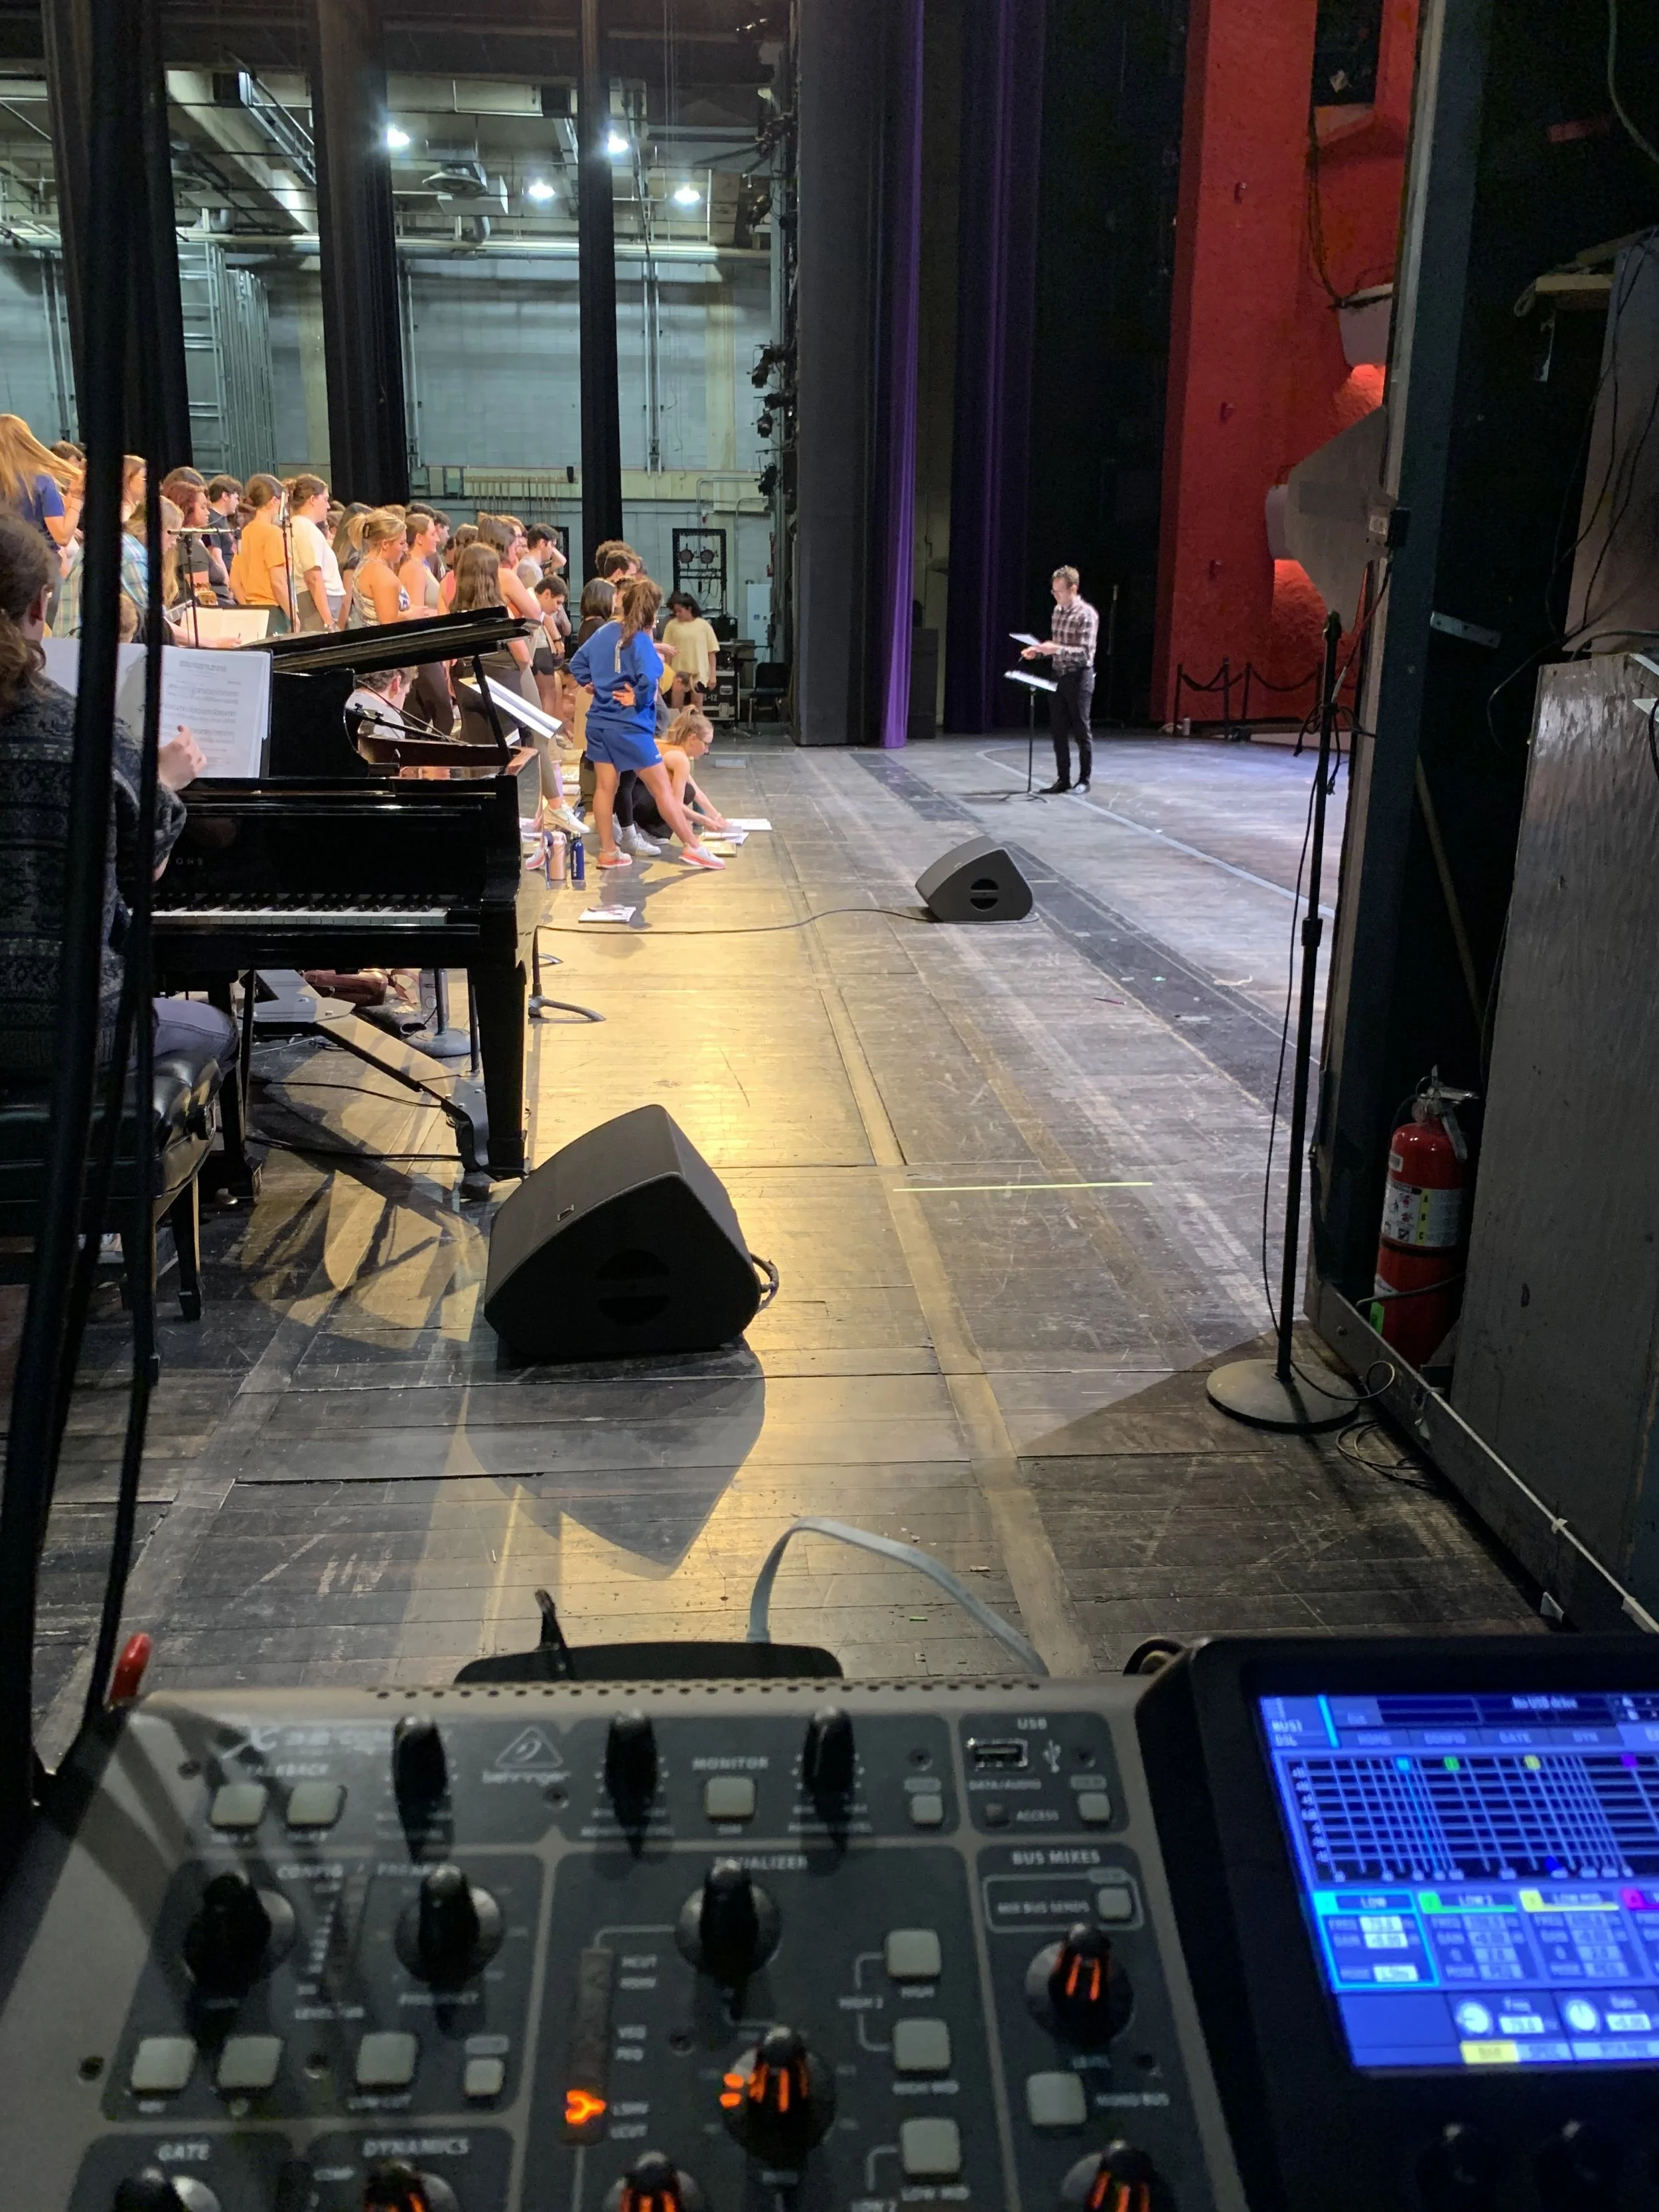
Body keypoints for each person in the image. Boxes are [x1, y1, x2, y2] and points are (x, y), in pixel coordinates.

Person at [0, 512, 235, 1084]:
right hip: (73, 1029)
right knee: (219, 1028)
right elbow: (145, 868)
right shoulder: (80, 728)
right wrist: (162, 780)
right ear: (41, 607)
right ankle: (188, 1167)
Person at [569, 575, 722, 873]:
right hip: (629, 727)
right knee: (662, 788)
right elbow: (650, 678)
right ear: (654, 612)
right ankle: (693, 847)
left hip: (599, 723)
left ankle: (609, 852)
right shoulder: (640, 640)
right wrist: (637, 699)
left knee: (604, 787)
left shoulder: (604, 633)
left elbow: (576, 664)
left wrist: (594, 685)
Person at [1021, 563, 1099, 794]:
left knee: (1081, 729)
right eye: (1053, 591)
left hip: (1080, 677)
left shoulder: (1087, 615)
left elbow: (1084, 653)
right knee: (1058, 730)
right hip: (1059, 676)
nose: (1055, 595)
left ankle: (1084, 780)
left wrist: (1055, 649)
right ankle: (1062, 779)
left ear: (1073, 590)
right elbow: (1057, 647)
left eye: (1059, 591)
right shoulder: (1057, 612)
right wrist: (1039, 651)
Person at [633, 705, 730, 840]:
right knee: (687, 792)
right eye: (706, 744)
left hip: (631, 797)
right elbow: (675, 805)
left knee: (689, 790)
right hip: (638, 801)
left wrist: (718, 818)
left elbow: (698, 793)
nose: (707, 750)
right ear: (692, 739)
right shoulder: (680, 759)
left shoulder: (668, 747)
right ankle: (646, 829)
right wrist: (705, 821)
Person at [0, 415, 81, 550]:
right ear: (26, 441)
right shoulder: (41, 481)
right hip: (39, 563)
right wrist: (77, 498)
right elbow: (62, 536)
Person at [228, 473, 292, 632]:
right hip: (274, 613)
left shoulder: (244, 533)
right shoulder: (273, 533)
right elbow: (277, 583)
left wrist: (249, 608)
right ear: (275, 501)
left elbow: (235, 582)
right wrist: (294, 616)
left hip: (252, 614)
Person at [288, 475, 344, 632]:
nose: (328, 507)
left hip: (318, 603)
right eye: (325, 500)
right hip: (316, 606)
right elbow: (313, 577)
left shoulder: (302, 526)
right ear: (313, 499)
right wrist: (328, 622)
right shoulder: (304, 527)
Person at [347, 510, 411, 627]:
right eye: (402, 543)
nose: (406, 549)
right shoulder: (381, 574)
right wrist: (411, 615)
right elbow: (388, 622)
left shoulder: (364, 566)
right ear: (385, 544)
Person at [660, 589, 721, 710]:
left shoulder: (704, 626)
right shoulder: (672, 626)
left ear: (689, 609)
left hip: (698, 674)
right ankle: (678, 729)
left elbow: (711, 653)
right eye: (675, 611)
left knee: (697, 707)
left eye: (680, 611)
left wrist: (712, 675)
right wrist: (666, 674)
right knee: (676, 707)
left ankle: (698, 729)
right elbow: (668, 653)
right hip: (677, 673)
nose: (677, 614)